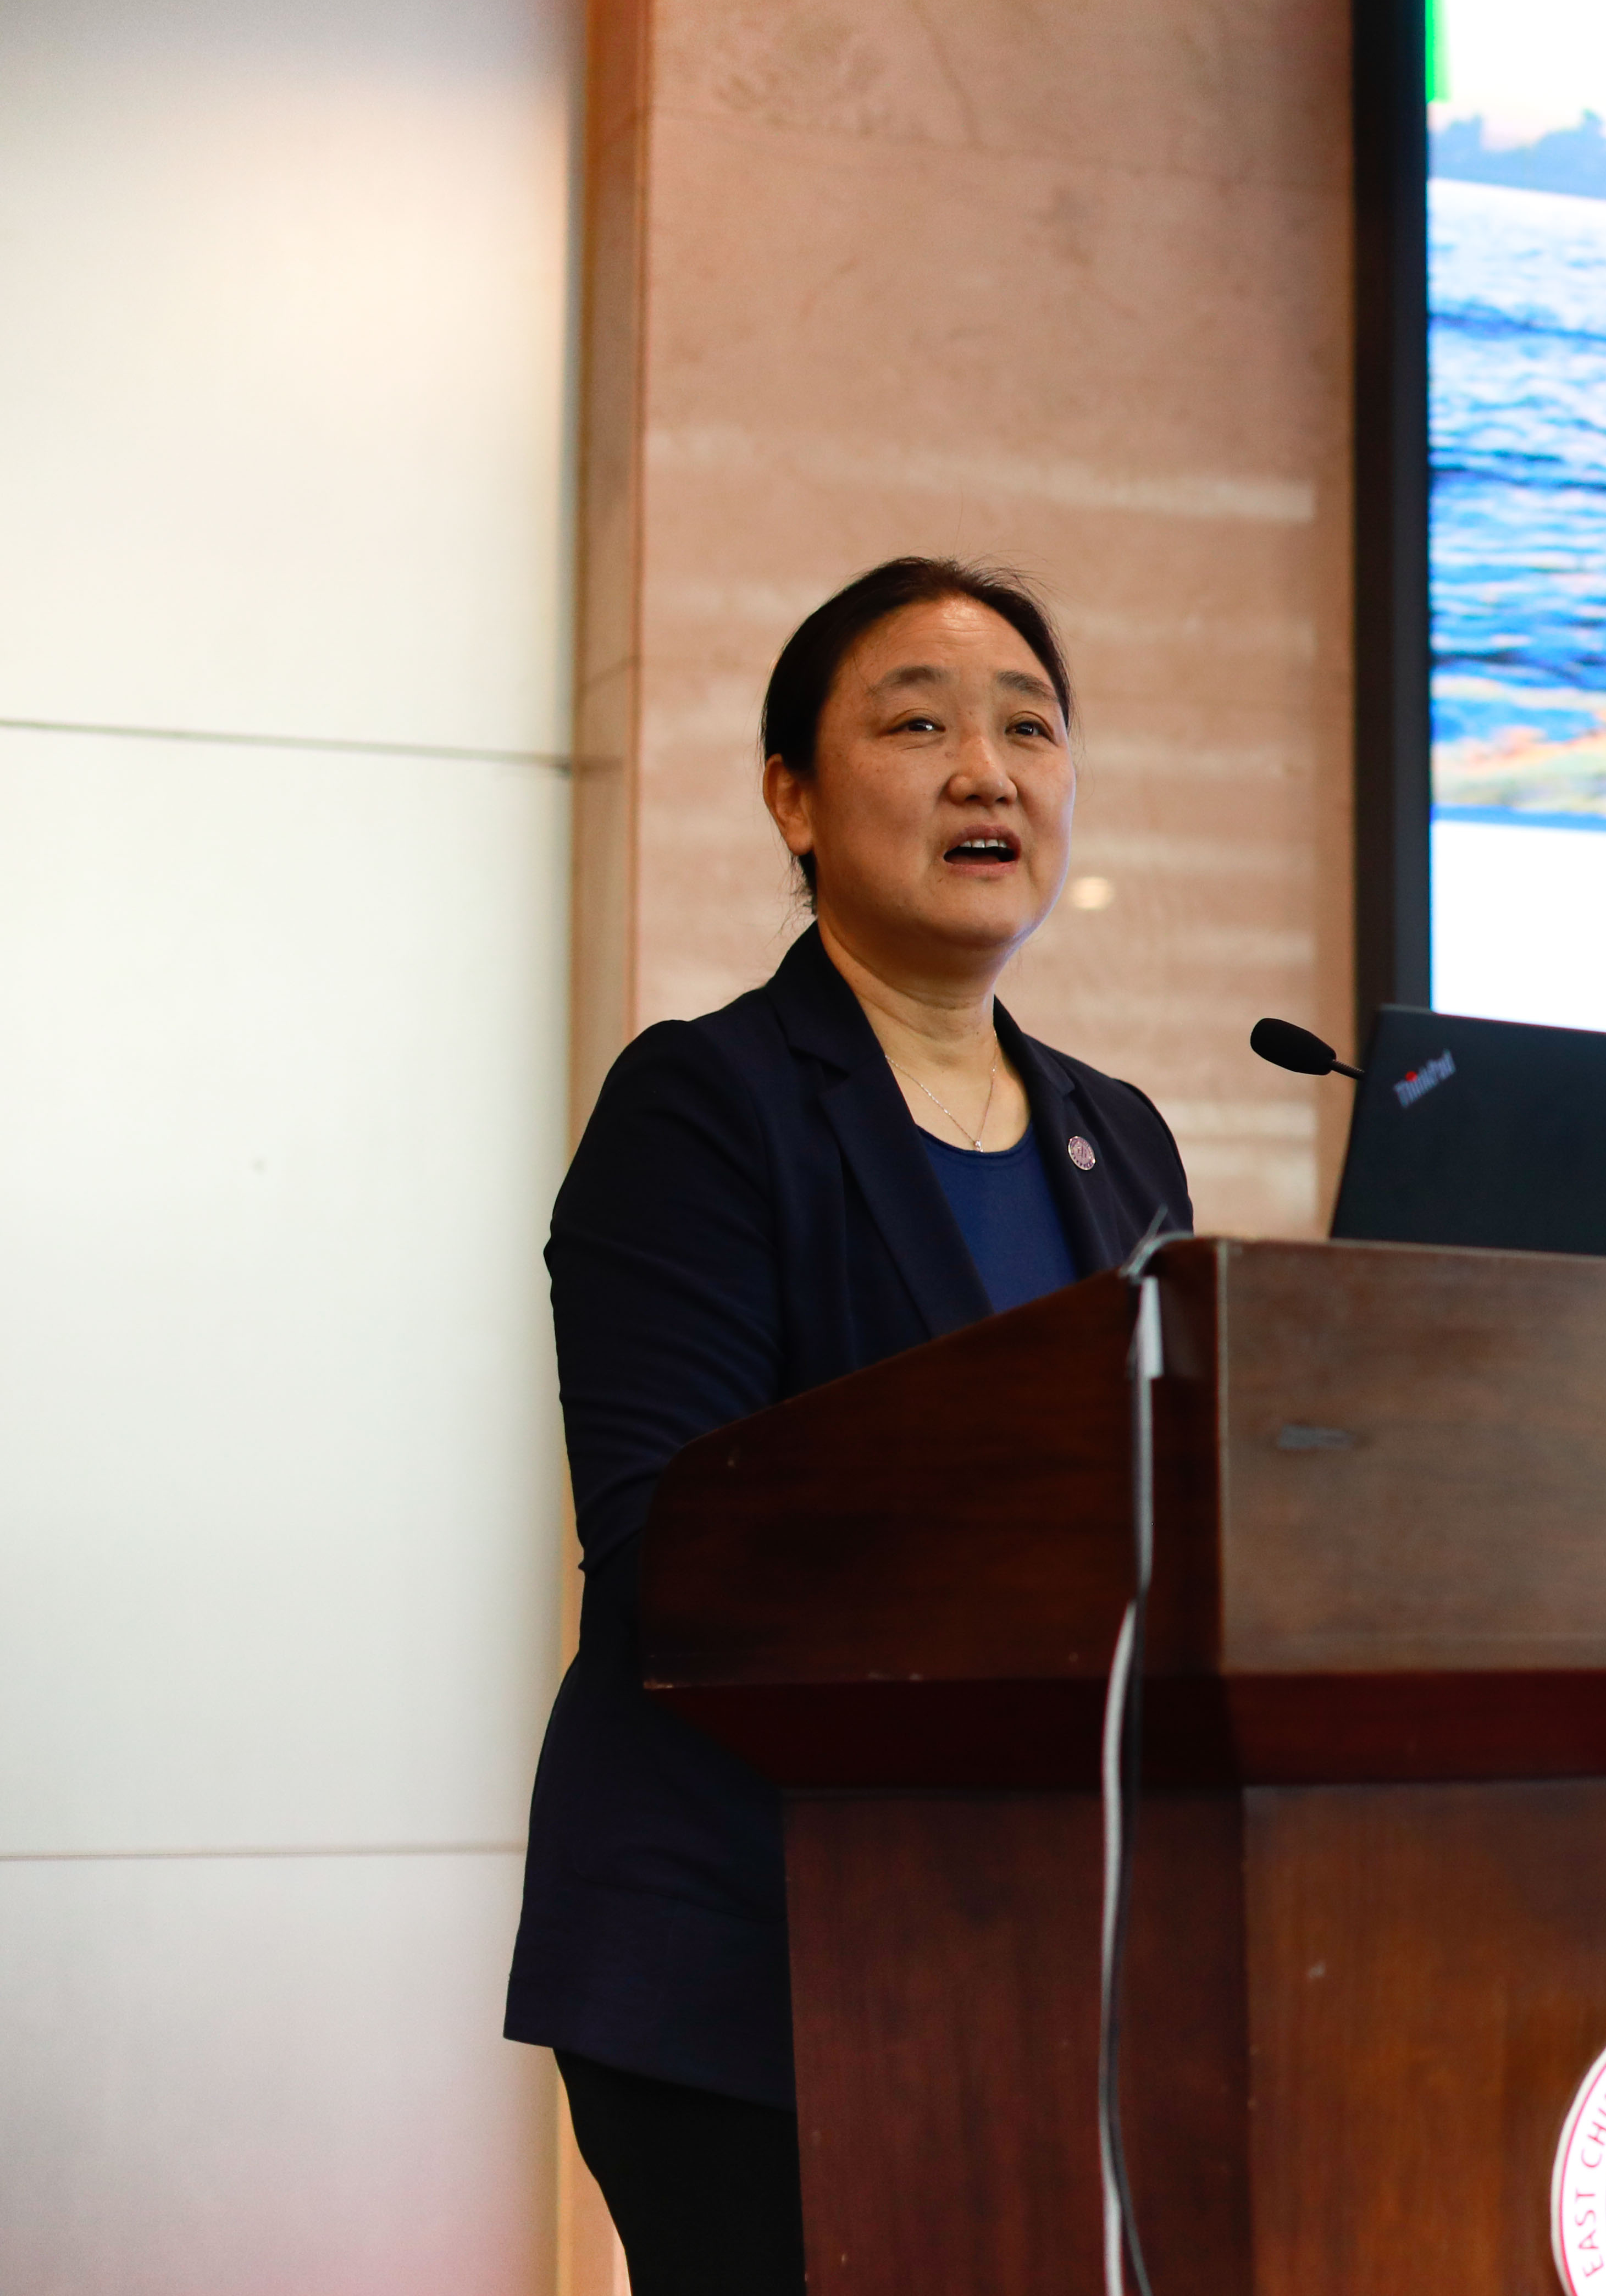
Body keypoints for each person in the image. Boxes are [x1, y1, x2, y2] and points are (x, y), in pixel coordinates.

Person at [505, 558, 1192, 2294]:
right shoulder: (708, 1106)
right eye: (917, 725)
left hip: (1040, 1951)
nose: (987, 771)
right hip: (756, 1955)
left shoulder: (1118, 1137)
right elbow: (669, 1552)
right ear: (793, 800)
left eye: (1029, 727)